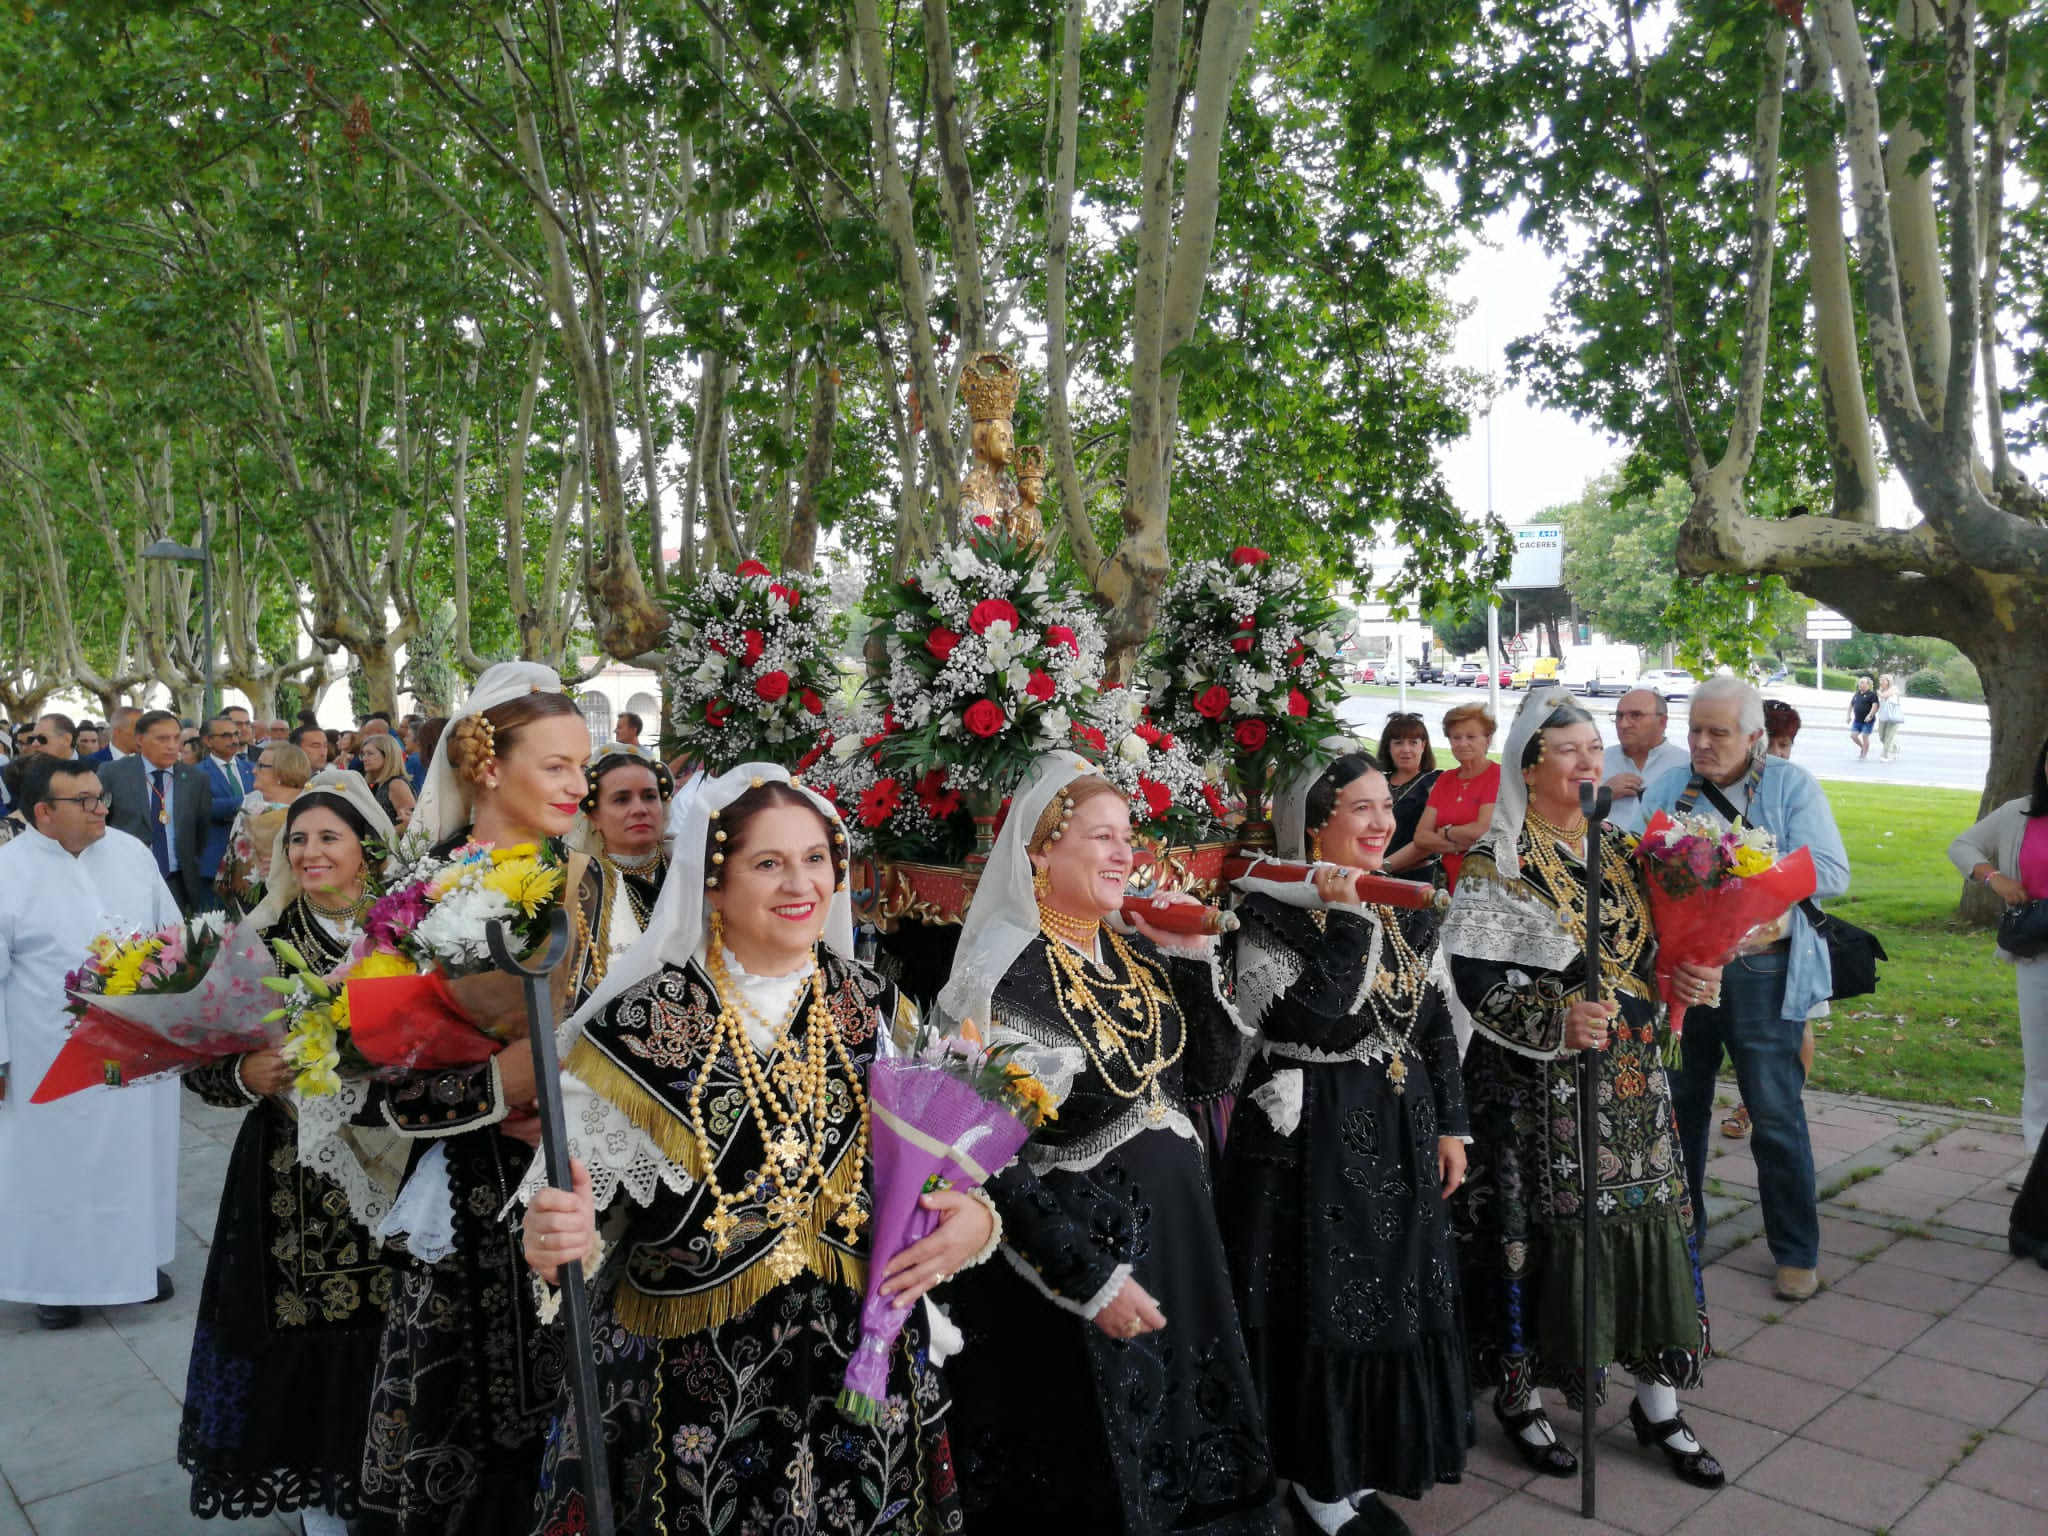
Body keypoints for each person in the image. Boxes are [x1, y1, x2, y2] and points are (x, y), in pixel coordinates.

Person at [520, 764, 989, 1533]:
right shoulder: (640, 1025)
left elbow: (948, 1163)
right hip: (687, 1382)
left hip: (859, 1363)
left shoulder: (873, 1004)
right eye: (767, 863)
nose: (798, 882)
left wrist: (971, 1220)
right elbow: (572, 1218)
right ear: (712, 883)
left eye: (814, 858)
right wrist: (556, 1237)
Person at [935, 754, 1279, 1535]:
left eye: (1128, 836)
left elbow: (1209, 1076)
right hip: (1082, 1266)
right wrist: (1083, 1273)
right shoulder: (1001, 977)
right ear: (1039, 854)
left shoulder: (1133, 951)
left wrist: (1192, 963)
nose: (1125, 854)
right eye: (1100, 837)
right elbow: (987, 1157)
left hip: (1183, 1244)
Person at [1440, 689, 1725, 1489]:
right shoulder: (1499, 862)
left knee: (1656, 1223)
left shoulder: (1629, 852)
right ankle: (1521, 1396)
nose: (1590, 762)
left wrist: (1693, 973)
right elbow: (1475, 978)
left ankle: (1658, 1401)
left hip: (1632, 1080)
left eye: (1595, 748)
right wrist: (1553, 1020)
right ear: (1529, 767)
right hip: (1533, 1095)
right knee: (1528, 1234)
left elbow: (1657, 953)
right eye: (1570, 750)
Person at [356, 662, 602, 1536]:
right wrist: (499, 1086)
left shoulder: (597, 881)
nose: (580, 784)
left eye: (585, 766)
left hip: (587, 1190)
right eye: (558, 765)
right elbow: (369, 1082)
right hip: (463, 1203)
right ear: (488, 768)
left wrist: (574, 1086)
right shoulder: (414, 894)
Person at [1220, 753, 1471, 1535]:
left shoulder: (1413, 909)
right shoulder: (1267, 909)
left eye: (1384, 807)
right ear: (1315, 824)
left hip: (1398, 1125)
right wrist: (1352, 920)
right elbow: (1308, 1023)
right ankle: (1317, 1481)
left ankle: (1358, 1466)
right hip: (1311, 1138)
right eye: (1359, 809)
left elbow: (1431, 1024)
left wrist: (1455, 1124)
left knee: (1390, 1297)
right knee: (1322, 1302)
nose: (1380, 824)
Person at [177, 774, 400, 1533]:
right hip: (293, 1188)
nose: (308, 852)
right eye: (297, 840)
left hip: (406, 1167)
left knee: (396, 1334)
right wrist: (246, 1072)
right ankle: (324, 1512)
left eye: (327, 838)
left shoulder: (414, 934)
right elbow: (201, 1062)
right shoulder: (260, 943)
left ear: (366, 850)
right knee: (310, 1344)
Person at [1639, 676, 1850, 1303]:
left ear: (1755, 738)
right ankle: (1683, 1236)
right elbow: (1637, 865)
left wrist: (1763, 917)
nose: (1701, 743)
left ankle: (1795, 1250)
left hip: (1762, 973)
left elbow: (1832, 870)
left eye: (1718, 733)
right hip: (1683, 977)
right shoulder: (1672, 787)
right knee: (1680, 1109)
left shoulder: (1790, 785)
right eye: (1695, 730)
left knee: (1774, 1112)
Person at [0, 757, 182, 1329]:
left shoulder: (129, 853)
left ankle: (135, 1262)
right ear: (44, 813)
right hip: (45, 1054)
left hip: (134, 1046)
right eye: (85, 800)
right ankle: (57, 1281)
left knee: (137, 1157)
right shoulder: (8, 872)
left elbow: (171, 935)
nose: (101, 806)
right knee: (55, 1168)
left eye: (100, 795)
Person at [1947, 730, 2048, 1156]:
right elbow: (1962, 846)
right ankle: (2038, 1166)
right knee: (2042, 1067)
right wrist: (1995, 878)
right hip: (2037, 953)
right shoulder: (2019, 813)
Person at [567, 742, 673, 996]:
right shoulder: (581, 884)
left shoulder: (692, 867)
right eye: (621, 800)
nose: (639, 809)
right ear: (594, 817)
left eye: (649, 796)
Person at [102, 709, 215, 915]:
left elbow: (200, 832)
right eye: (162, 739)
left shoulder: (195, 779)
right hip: (128, 879)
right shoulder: (113, 773)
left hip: (178, 882)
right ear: (140, 740)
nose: (172, 745)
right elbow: (102, 825)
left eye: (175, 738)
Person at [216, 741, 313, 913]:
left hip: (287, 908)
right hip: (242, 904)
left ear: (282, 771)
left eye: (261, 766)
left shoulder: (308, 810)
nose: (253, 770)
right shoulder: (253, 803)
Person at [1412, 702, 1499, 892]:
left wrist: (1446, 832)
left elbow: (1482, 831)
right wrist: (1457, 847)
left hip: (1489, 884)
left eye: (1471, 737)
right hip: (1449, 883)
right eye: (1456, 737)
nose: (1462, 743)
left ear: (1488, 740)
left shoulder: (1498, 776)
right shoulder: (1445, 779)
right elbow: (1421, 837)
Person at [1604, 688, 1688, 832]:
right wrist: (1603, 794)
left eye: (1635, 715)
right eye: (1619, 716)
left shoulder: (1686, 766)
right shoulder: (1596, 762)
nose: (1623, 724)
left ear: (1662, 722)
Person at [199, 715, 258, 906]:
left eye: (235, 734)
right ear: (208, 740)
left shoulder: (251, 769)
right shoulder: (197, 774)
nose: (233, 740)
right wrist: (248, 802)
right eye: (225, 735)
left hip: (250, 864)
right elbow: (206, 807)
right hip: (216, 863)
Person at [1377, 711, 1442, 879]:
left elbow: (1431, 839)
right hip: (1373, 875)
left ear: (1423, 746)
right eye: (1398, 743)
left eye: (1413, 742)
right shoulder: (1375, 782)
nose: (1406, 749)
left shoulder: (1435, 783)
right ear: (1388, 747)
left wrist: (1383, 866)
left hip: (1418, 879)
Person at [357, 731, 416, 834]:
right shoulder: (380, 784)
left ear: (388, 755)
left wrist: (382, 837)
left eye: (370, 753)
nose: (364, 759)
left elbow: (410, 824)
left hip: (393, 848)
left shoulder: (396, 784)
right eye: (363, 754)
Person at [1876, 674, 1905, 762]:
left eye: (1883, 680)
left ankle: (1884, 755)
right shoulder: (1881, 690)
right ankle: (1895, 748)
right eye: (1880, 680)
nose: (1881, 682)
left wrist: (1879, 693)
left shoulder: (1894, 688)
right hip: (1883, 716)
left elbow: (1884, 696)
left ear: (1889, 681)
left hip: (1893, 716)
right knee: (1882, 736)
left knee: (1889, 736)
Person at [1847, 675, 1877, 760]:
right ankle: (1862, 747)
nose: (1860, 684)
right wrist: (1848, 716)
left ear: (1867, 685)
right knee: (1853, 736)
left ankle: (1864, 755)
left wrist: (1870, 715)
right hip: (1857, 720)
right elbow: (1851, 705)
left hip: (1868, 721)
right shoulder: (1857, 694)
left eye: (1862, 682)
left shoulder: (1872, 695)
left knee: (1865, 736)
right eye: (1859, 682)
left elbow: (1875, 706)